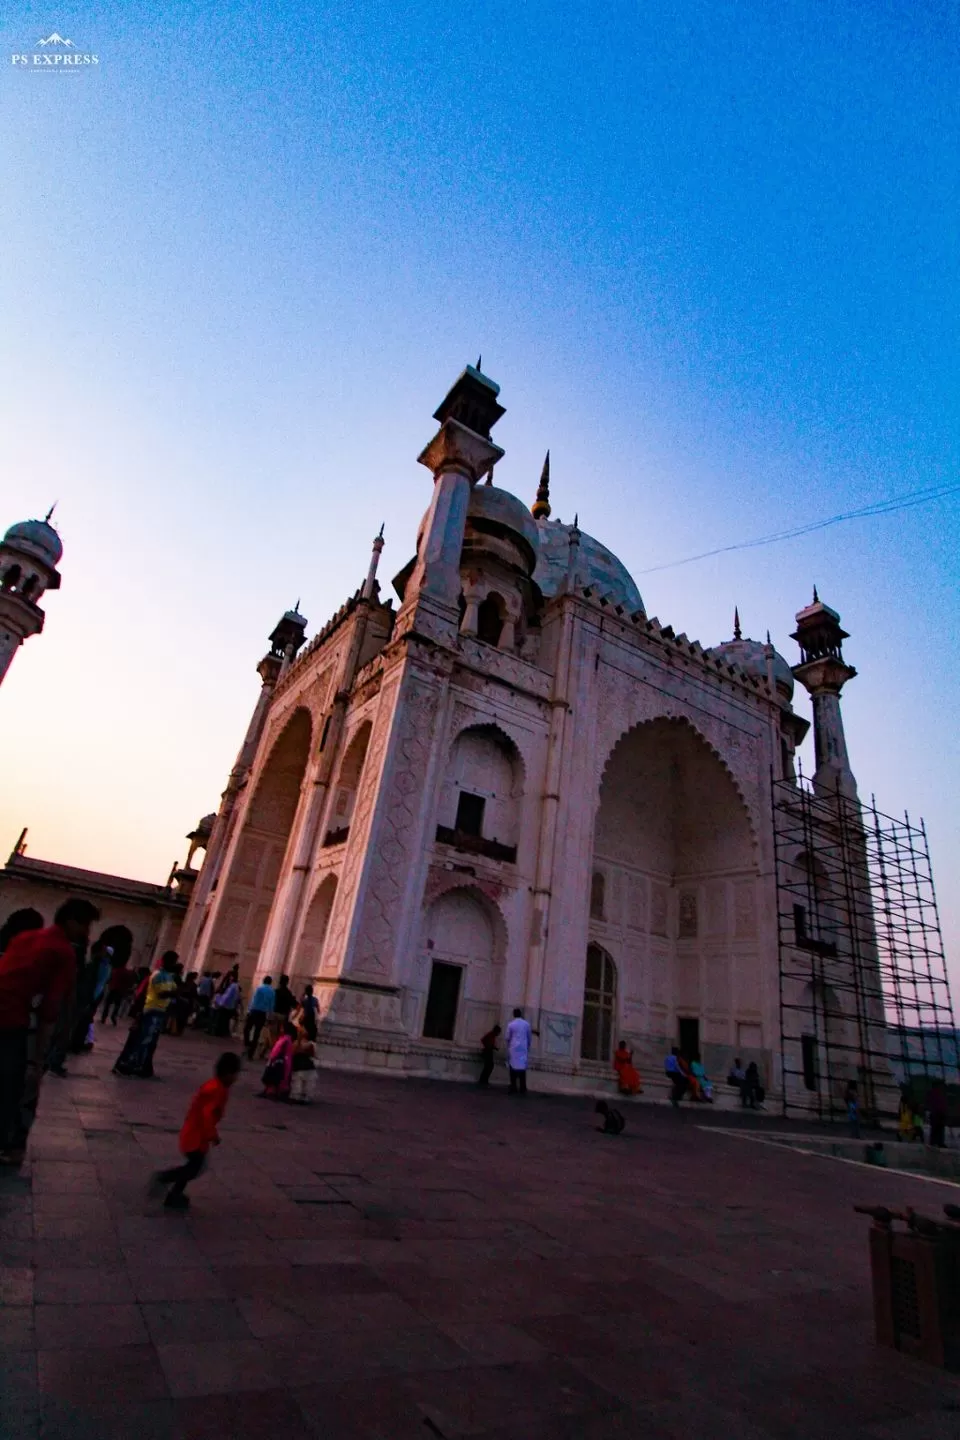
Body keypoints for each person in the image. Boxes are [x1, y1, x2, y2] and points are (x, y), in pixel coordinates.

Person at [0, 898, 100, 1163]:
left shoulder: (25, 938)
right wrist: (45, 1053)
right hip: (19, 1023)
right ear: (71, 922)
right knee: (26, 1085)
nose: (87, 933)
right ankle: (13, 1146)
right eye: (85, 925)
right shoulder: (62, 950)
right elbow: (51, 1007)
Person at [152, 1051, 241, 1210]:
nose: (236, 1078)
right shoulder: (216, 1090)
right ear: (228, 1073)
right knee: (193, 1168)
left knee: (192, 1167)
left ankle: (174, 1195)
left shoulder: (216, 1086)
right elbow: (207, 1115)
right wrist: (212, 1135)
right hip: (196, 1136)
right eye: (235, 1074)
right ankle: (164, 1178)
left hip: (195, 1134)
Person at [113, 953, 179, 1077]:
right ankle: (128, 1065)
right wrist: (175, 993)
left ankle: (141, 1066)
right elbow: (162, 993)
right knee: (143, 1039)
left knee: (149, 1041)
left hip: (159, 1011)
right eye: (174, 961)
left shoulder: (168, 977)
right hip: (152, 1010)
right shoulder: (159, 975)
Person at [261, 1022, 296, 1099]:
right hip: (278, 1060)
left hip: (280, 1061)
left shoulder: (286, 1039)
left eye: (282, 1028)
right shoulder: (284, 1038)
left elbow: (279, 1050)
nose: (281, 1029)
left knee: (276, 1077)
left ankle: (273, 1092)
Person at [244, 975, 274, 1058]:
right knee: (257, 1034)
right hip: (262, 1014)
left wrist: (249, 1010)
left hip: (254, 1011)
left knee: (247, 1028)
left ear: (263, 981)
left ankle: (247, 1044)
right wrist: (270, 1017)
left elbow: (254, 1000)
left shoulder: (259, 988)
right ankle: (251, 1052)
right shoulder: (272, 992)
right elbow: (271, 1006)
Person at [505, 1008, 533, 1095]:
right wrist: (527, 1045)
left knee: (512, 1068)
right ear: (520, 1014)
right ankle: (522, 1087)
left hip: (513, 1048)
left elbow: (507, 1037)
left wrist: (509, 1045)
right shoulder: (526, 1024)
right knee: (522, 1068)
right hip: (523, 1048)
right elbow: (529, 1037)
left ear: (514, 1014)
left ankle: (513, 1086)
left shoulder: (511, 1024)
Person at [212, 968, 240, 1037]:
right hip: (230, 1005)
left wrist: (220, 1002)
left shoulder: (233, 986)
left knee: (222, 1019)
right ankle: (223, 1032)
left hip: (227, 1005)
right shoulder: (235, 986)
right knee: (225, 1020)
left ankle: (220, 1032)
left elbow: (227, 996)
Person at [290, 1031, 318, 1103]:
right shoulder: (311, 1044)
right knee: (306, 1083)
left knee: (298, 1083)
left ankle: (298, 1096)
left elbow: (293, 1053)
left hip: (300, 1066)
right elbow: (313, 1055)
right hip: (307, 1066)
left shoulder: (297, 1043)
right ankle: (304, 1096)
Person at [928, 1079, 948, 1149]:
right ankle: (939, 1142)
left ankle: (934, 1142)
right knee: (939, 1129)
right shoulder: (939, 1093)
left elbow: (930, 1103)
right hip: (938, 1113)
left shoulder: (933, 1093)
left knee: (935, 1128)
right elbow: (942, 1104)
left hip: (936, 1113)